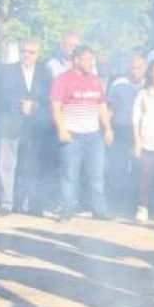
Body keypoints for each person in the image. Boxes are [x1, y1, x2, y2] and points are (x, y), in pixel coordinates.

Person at [50, 45, 113, 221]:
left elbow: (101, 106)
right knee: (70, 175)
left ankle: (100, 211)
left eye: (92, 60)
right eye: (87, 59)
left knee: (97, 175)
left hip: (93, 136)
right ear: (76, 60)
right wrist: (61, 129)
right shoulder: (63, 79)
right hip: (72, 135)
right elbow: (56, 106)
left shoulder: (95, 81)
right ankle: (66, 210)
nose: (91, 63)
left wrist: (107, 129)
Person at [0, 39, 52, 216]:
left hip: (34, 127)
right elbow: (1, 95)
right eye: (24, 51)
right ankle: (6, 203)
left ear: (38, 54)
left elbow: (49, 98)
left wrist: (34, 105)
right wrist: (20, 104)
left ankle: (27, 203)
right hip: (10, 123)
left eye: (31, 52)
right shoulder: (7, 71)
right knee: (6, 165)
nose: (27, 55)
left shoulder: (44, 73)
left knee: (31, 166)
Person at [106, 53, 147, 217]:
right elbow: (110, 109)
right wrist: (108, 130)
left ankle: (134, 205)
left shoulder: (149, 86)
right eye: (133, 67)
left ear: (145, 69)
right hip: (121, 130)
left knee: (138, 170)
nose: (135, 71)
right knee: (118, 169)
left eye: (139, 68)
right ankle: (115, 205)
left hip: (142, 133)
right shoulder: (119, 84)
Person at [132, 59, 154, 223]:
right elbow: (135, 118)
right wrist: (137, 141)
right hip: (147, 142)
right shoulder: (143, 94)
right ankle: (142, 208)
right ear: (150, 73)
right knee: (145, 177)